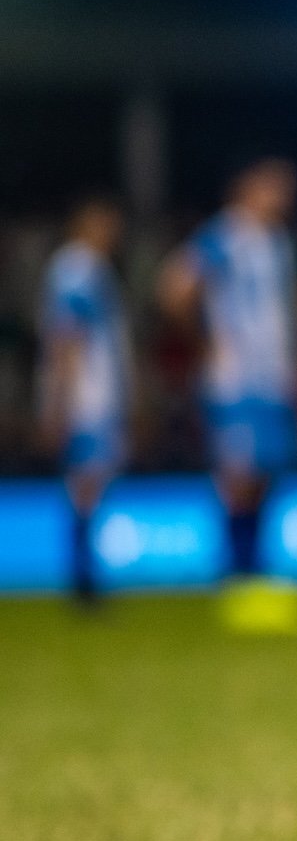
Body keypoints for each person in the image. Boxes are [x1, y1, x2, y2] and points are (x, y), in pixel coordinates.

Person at [160, 157, 297, 633]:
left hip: (271, 379)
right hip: (236, 379)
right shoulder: (226, 235)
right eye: (275, 187)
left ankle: (257, 577)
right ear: (247, 188)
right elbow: (174, 286)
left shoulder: (275, 242)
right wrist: (206, 342)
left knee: (268, 473)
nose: (284, 196)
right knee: (239, 474)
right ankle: (233, 578)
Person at [39, 195, 131, 612]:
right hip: (85, 399)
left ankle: (86, 578)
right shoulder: (76, 267)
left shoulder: (92, 267)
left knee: (91, 485)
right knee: (85, 487)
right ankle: (83, 583)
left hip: (97, 396)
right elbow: (67, 337)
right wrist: (61, 400)